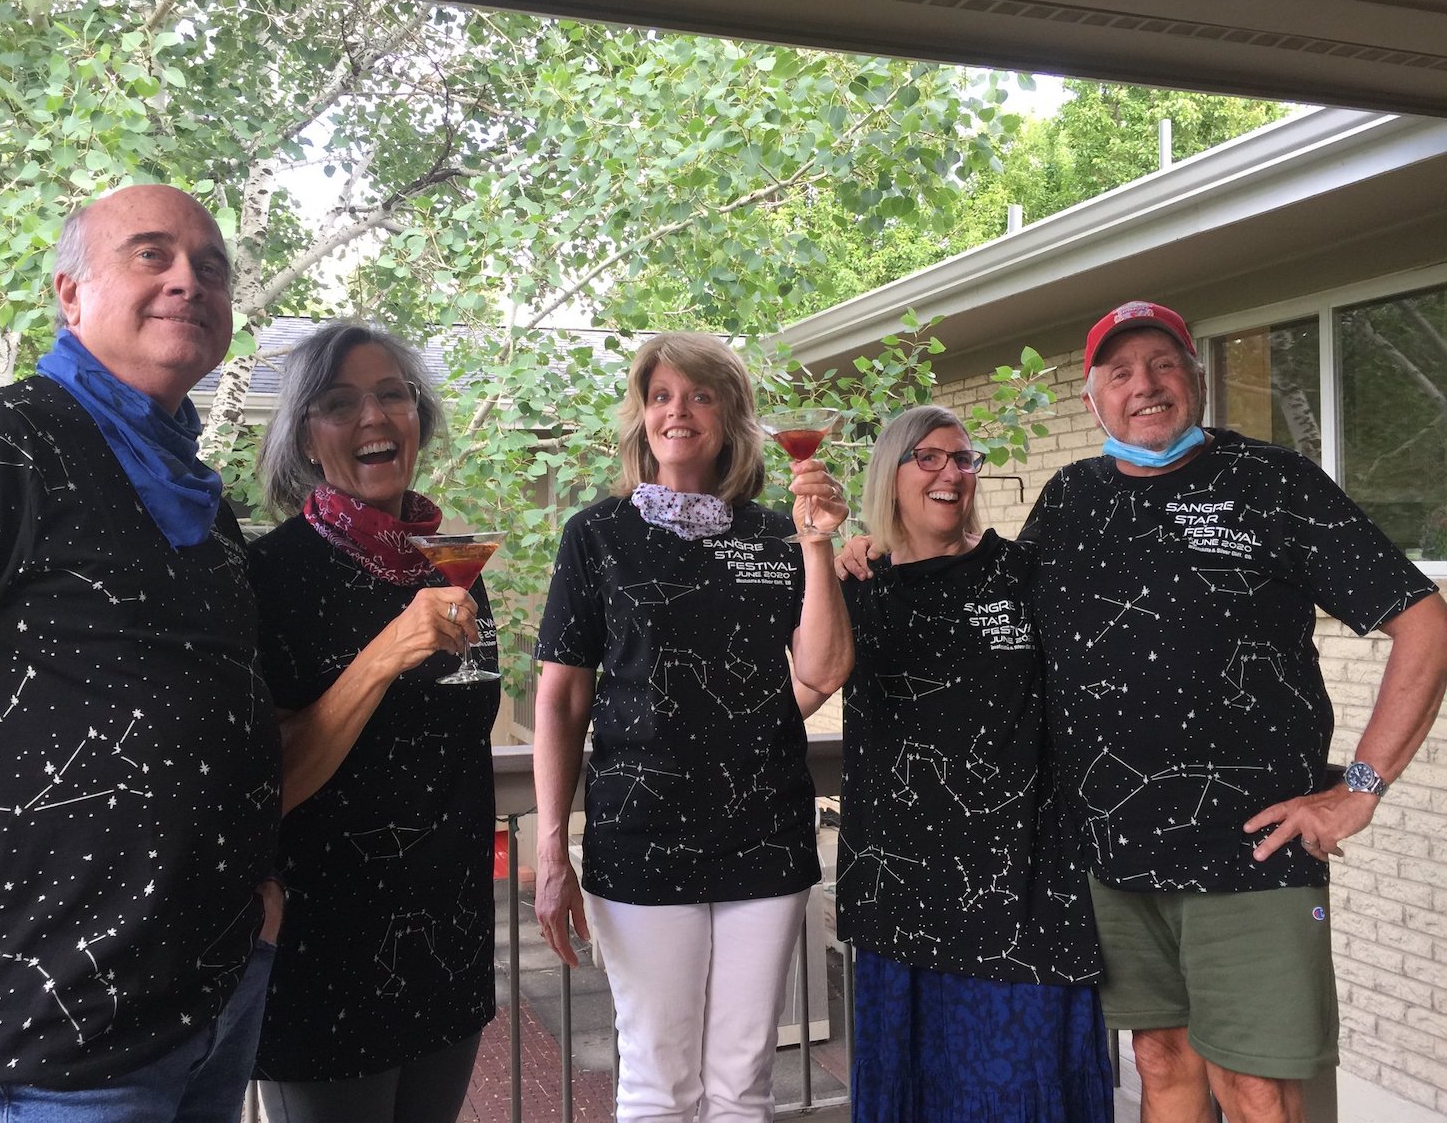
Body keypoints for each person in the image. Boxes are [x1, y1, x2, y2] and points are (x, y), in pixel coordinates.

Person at [844, 300, 1447, 1123]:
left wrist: (1362, 787)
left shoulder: (1273, 483)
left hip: (1251, 848)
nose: (1145, 386)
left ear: (1195, 378)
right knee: (1161, 1063)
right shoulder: (1070, 500)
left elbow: (1424, 622)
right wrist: (874, 547)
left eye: (1164, 364)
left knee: (1258, 1087)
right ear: (1094, 398)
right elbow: (979, 598)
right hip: (1109, 856)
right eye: (1120, 372)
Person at [0, 184, 283, 1123]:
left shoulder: (203, 504)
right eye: (150, 254)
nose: (188, 281)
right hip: (54, 1037)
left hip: (214, 995)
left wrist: (257, 898)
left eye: (211, 267)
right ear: (69, 294)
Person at [532, 332, 854, 1122]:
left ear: (730, 417)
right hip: (640, 833)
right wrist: (549, 843)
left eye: (701, 395)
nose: (680, 411)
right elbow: (561, 697)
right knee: (658, 1077)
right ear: (642, 415)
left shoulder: (777, 533)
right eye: (663, 395)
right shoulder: (596, 534)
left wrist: (818, 543)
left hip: (764, 831)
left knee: (742, 1079)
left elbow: (820, 670)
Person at [801, 405, 1111, 1123]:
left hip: (1024, 891)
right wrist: (826, 548)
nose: (951, 474)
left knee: (1027, 1092)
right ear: (893, 473)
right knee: (914, 1093)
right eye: (929, 458)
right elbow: (806, 681)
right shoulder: (857, 584)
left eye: (963, 459)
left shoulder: (1024, 573)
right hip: (898, 889)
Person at [246, 323, 492, 1123]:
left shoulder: (452, 566)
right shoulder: (268, 575)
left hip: (448, 939)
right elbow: (267, 784)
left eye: (394, 394)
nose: (375, 418)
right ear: (307, 440)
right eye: (340, 403)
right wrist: (387, 652)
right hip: (326, 957)